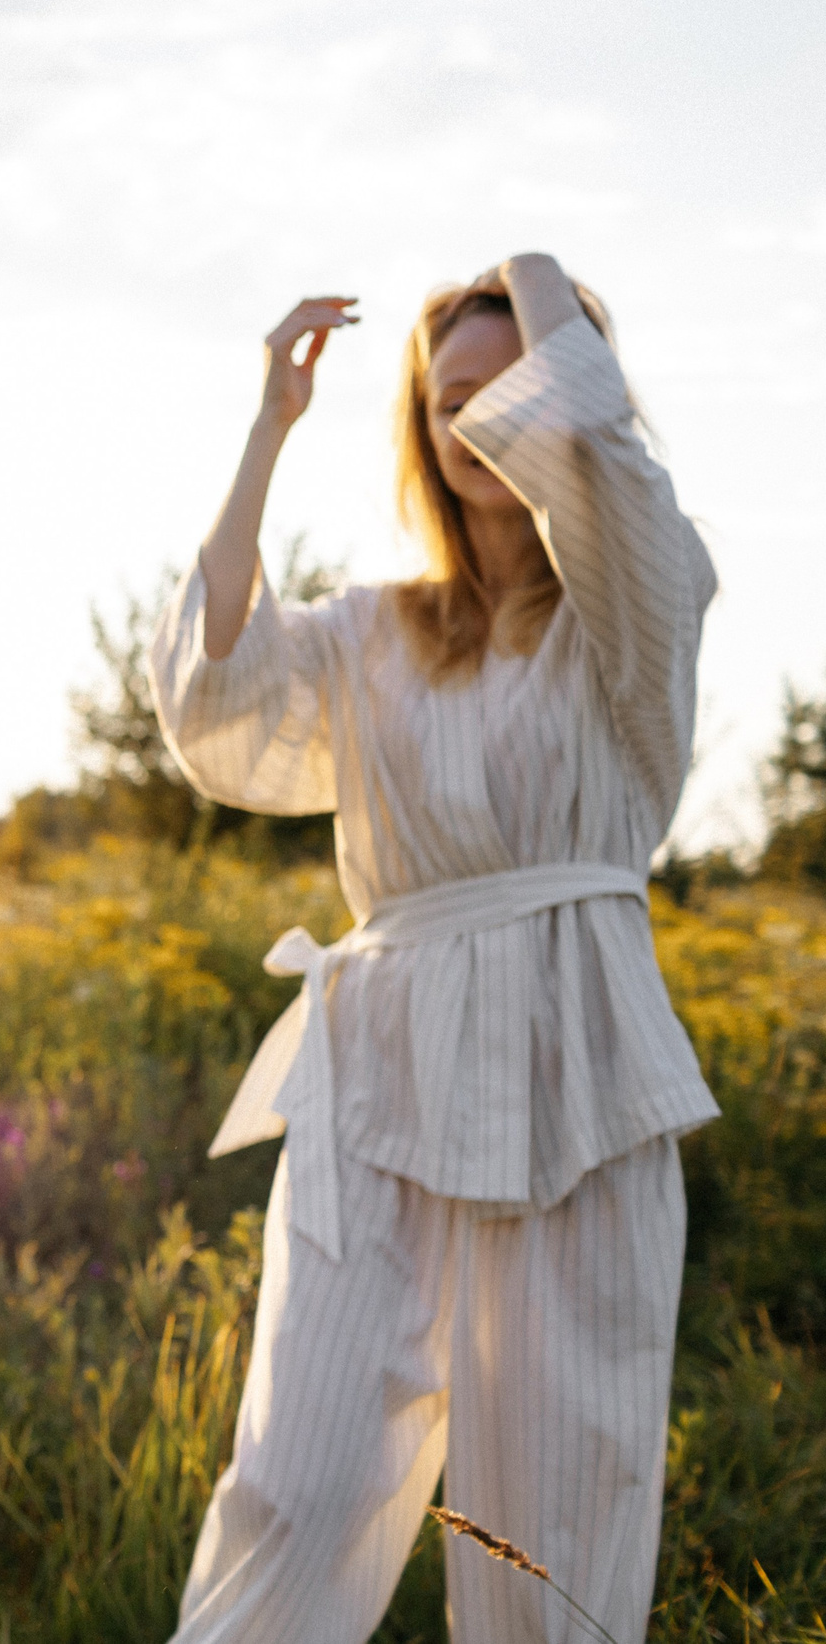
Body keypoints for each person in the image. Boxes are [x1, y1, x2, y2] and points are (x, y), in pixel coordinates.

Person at [150, 255, 718, 1643]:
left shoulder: (637, 617)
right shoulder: (374, 629)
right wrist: (268, 428)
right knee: (305, 1475)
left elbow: (605, 455)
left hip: (575, 1058)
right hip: (382, 1060)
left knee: (557, 1502)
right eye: (450, 400)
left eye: (509, 392)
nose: (477, 426)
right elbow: (215, 700)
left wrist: (528, 276)